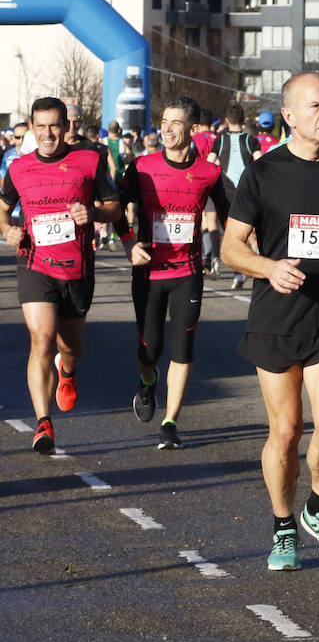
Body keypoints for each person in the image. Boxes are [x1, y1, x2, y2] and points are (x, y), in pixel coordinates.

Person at [220, 72, 319, 571]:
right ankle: (283, 526)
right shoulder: (263, 174)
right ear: (289, 115)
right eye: (314, 106)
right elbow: (230, 248)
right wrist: (268, 267)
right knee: (286, 431)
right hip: (276, 317)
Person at [0, 97, 121, 453]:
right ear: (32, 129)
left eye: (54, 125)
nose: (48, 133)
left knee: (71, 346)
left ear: (66, 125)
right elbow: (3, 210)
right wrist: (7, 229)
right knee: (42, 339)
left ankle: (67, 372)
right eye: (41, 127)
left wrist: (93, 213)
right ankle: (43, 422)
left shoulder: (89, 160)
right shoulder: (19, 168)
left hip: (77, 267)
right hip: (35, 263)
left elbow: (114, 209)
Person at [120, 96, 229, 449]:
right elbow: (114, 206)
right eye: (163, 121)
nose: (166, 129)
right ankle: (148, 382)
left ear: (192, 129)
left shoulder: (209, 173)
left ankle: (170, 423)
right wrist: (127, 242)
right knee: (150, 350)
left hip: (187, 272)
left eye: (176, 122)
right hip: (148, 272)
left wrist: (249, 248)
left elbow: (231, 215)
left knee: (183, 348)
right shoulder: (142, 167)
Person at [207, 103, 262, 280]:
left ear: (226, 120)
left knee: (230, 231)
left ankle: (225, 263)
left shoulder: (219, 140)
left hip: (225, 192)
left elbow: (210, 163)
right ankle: (242, 269)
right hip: (246, 191)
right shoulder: (251, 140)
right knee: (245, 230)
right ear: (244, 120)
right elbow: (261, 164)